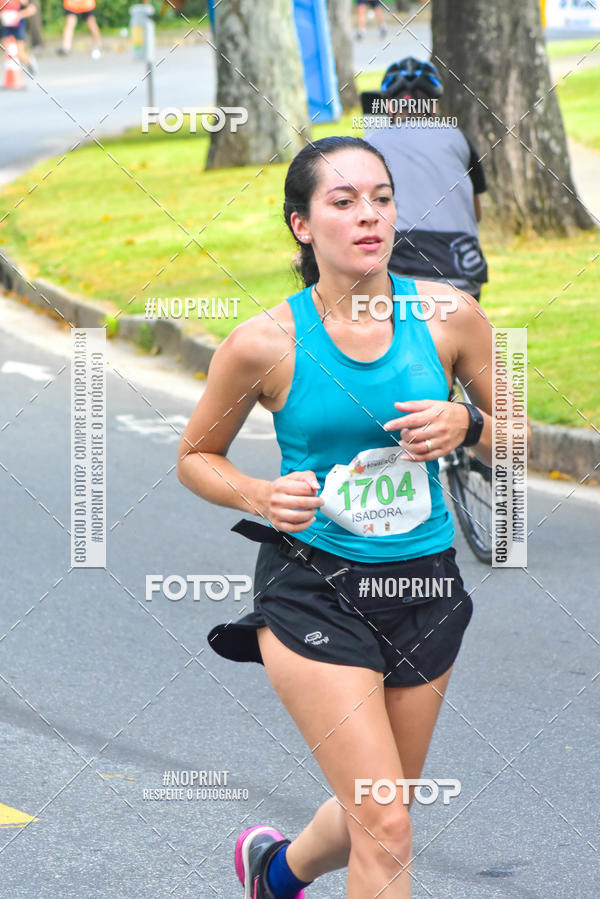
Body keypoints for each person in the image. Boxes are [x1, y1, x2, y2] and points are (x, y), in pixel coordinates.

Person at [177, 135, 493, 897]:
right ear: (301, 224)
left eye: (381, 198)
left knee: (380, 811)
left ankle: (275, 869)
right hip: (314, 584)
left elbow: (521, 427)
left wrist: (469, 426)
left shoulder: (451, 316)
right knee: (387, 824)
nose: (369, 216)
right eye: (343, 202)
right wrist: (257, 494)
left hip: (425, 584)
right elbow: (195, 455)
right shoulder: (264, 342)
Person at [363, 58, 488, 301]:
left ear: (389, 107)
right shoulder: (459, 139)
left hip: (401, 266)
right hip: (462, 266)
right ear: (434, 107)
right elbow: (477, 213)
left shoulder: (370, 146)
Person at [1, 0, 38, 74]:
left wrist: (19, 15)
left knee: (20, 53)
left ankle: (29, 62)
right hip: (7, 27)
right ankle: (11, 71)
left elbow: (32, 10)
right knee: (7, 51)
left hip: (18, 26)